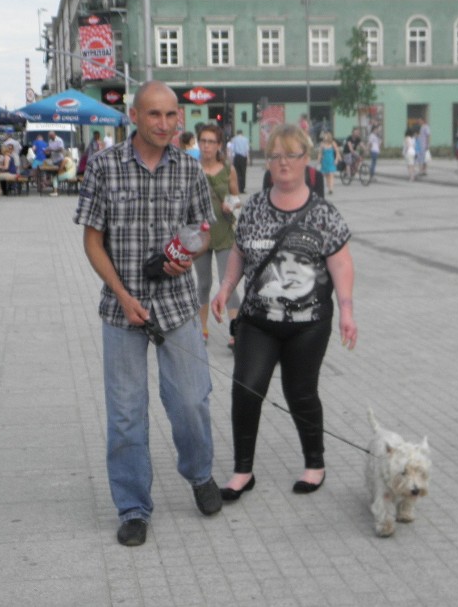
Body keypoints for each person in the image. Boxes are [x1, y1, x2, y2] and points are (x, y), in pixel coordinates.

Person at [73, 81, 222, 547]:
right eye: (154, 115)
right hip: (123, 311)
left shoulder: (189, 171)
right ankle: (133, 506)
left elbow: (203, 230)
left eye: (171, 115)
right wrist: (120, 293)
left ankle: (200, 474)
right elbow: (92, 241)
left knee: (192, 402)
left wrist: (187, 254)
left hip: (177, 308)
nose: (164, 124)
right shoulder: (103, 167)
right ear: (133, 117)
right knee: (125, 415)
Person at [211, 123, 357, 502]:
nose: (282, 163)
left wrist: (346, 310)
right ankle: (243, 471)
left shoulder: (323, 213)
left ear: (305, 160)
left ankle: (315, 463)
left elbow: (341, 264)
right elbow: (241, 255)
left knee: (300, 392)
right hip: (258, 321)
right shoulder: (256, 206)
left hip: (309, 325)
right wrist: (226, 289)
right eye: (275, 156)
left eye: (290, 155)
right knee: (246, 388)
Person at [192, 124, 242, 348]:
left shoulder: (228, 169)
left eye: (211, 142)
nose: (206, 146)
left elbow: (237, 198)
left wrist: (230, 205)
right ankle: (201, 329)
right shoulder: (191, 168)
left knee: (227, 282)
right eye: (203, 141)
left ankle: (235, 332)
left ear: (219, 145)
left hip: (224, 234)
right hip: (201, 237)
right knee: (203, 283)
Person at [316, 130, 341, 195]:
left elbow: (337, 152)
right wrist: (318, 161)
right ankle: (329, 187)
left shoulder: (333, 143)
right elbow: (320, 153)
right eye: (324, 136)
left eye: (326, 135)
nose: (324, 137)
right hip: (325, 161)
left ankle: (331, 189)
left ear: (329, 136)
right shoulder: (322, 144)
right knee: (327, 175)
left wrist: (336, 159)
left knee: (331, 174)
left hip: (331, 161)